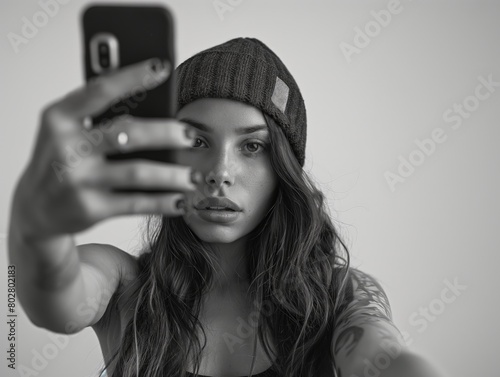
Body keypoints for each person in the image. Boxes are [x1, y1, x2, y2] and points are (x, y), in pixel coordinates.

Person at [8, 38, 444, 377]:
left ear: (283, 171)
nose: (219, 171)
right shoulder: (125, 286)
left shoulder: (338, 296)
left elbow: (386, 360)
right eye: (196, 142)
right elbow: (55, 303)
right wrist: (36, 230)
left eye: (252, 146)